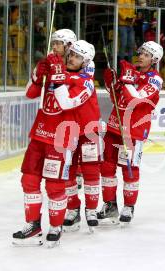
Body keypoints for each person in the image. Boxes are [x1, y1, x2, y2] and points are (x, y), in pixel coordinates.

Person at [12, 29, 85, 248]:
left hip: (61, 140)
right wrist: (37, 74)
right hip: (39, 134)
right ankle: (33, 225)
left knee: (55, 185)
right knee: (29, 180)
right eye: (53, 42)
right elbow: (30, 93)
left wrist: (58, 74)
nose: (54, 47)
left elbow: (65, 103)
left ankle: (55, 226)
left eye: (59, 44)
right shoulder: (50, 65)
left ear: (70, 46)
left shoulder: (82, 77)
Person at [99, 41, 164, 225]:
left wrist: (127, 80)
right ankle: (110, 205)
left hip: (133, 131)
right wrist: (111, 83)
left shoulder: (155, 79)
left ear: (154, 59)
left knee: (129, 169)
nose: (141, 56)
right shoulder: (131, 73)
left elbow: (136, 99)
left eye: (146, 54)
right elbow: (116, 98)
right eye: (140, 52)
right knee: (107, 167)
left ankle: (129, 206)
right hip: (114, 126)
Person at [58, 40, 101, 233]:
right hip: (67, 131)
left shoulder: (86, 81)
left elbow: (71, 100)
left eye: (77, 56)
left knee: (91, 171)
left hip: (89, 131)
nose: (71, 58)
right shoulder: (63, 74)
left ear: (85, 62)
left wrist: (60, 78)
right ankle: (73, 209)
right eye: (71, 54)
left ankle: (91, 210)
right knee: (67, 171)